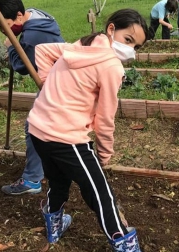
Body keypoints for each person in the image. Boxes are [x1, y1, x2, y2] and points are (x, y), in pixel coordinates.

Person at [27, 8, 148, 250]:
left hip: (38, 128)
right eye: (128, 40)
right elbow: (105, 118)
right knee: (100, 193)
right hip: (66, 137)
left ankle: (54, 225)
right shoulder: (112, 67)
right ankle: (124, 242)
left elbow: (42, 51)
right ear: (111, 28)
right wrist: (104, 154)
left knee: (58, 180)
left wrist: (47, 81)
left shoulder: (82, 45)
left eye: (136, 46)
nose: (130, 50)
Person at [0, 0, 64, 195]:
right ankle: (49, 166)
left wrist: (11, 46)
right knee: (43, 127)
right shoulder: (36, 15)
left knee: (35, 127)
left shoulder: (33, 35)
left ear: (19, 16)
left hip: (55, 85)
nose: (3, 31)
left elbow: (23, 67)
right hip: (56, 77)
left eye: (5, 26)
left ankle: (33, 179)